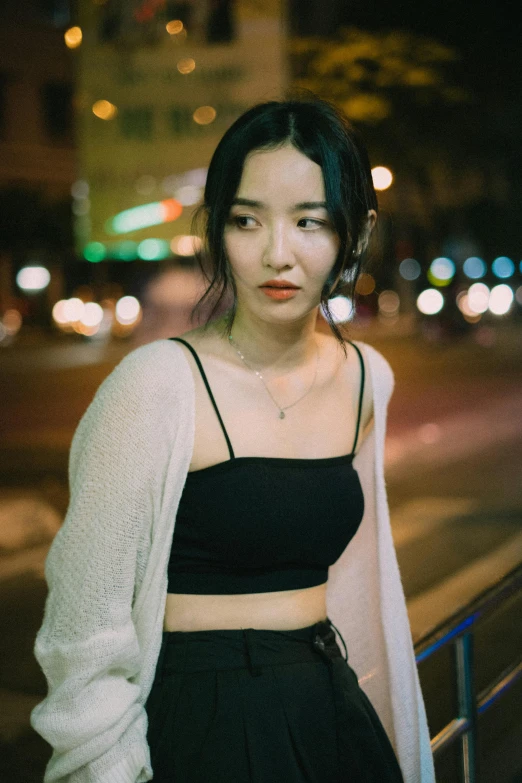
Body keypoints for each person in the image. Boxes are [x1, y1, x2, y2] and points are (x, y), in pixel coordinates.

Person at [30, 95, 435, 783]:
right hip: (201, 726)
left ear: (355, 232)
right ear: (216, 229)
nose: (278, 254)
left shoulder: (368, 378)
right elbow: (82, 632)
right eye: (248, 221)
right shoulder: (155, 384)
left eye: (309, 221)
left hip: (330, 717)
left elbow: (365, 588)